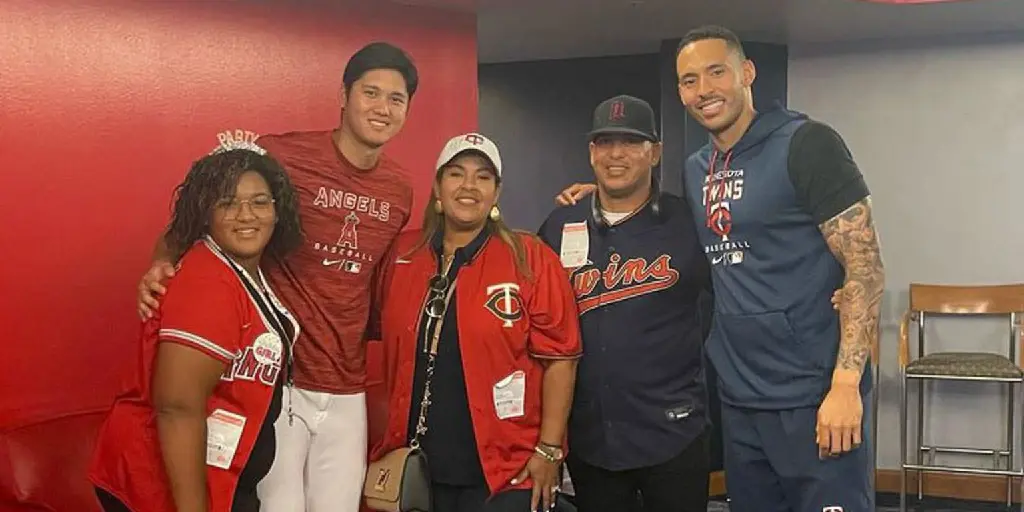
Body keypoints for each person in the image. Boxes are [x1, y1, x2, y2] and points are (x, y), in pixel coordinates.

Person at [555, 25, 885, 512]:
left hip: (813, 395)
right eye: (689, 80)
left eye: (716, 72)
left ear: (747, 73)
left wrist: (845, 385)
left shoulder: (808, 143)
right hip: (739, 397)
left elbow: (866, 267)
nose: (703, 90)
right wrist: (597, 193)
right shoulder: (696, 169)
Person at [135, 42, 418, 512]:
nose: (382, 108)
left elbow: (378, 282)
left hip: (348, 385)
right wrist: (160, 263)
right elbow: (195, 212)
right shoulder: (281, 154)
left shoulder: (400, 188)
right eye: (371, 92)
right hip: (278, 380)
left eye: (396, 98)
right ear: (344, 96)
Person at [369, 133, 582, 512]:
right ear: (437, 185)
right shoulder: (403, 254)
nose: (469, 186)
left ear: (496, 192)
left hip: (503, 468)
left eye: (483, 177)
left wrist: (549, 450)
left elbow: (561, 359)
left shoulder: (530, 258)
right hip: (416, 464)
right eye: (456, 174)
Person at [89, 144, 304, 512]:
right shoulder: (209, 283)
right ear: (205, 213)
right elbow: (177, 407)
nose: (245, 214)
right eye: (227, 203)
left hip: (220, 476)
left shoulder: (242, 270)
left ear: (277, 209)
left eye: (260, 202)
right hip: (161, 486)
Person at [538, 95, 711, 512]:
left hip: (672, 431)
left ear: (654, 153)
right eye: (604, 142)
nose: (617, 154)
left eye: (632, 143)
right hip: (592, 438)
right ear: (591, 152)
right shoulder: (561, 224)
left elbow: (736, 295)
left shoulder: (687, 222)